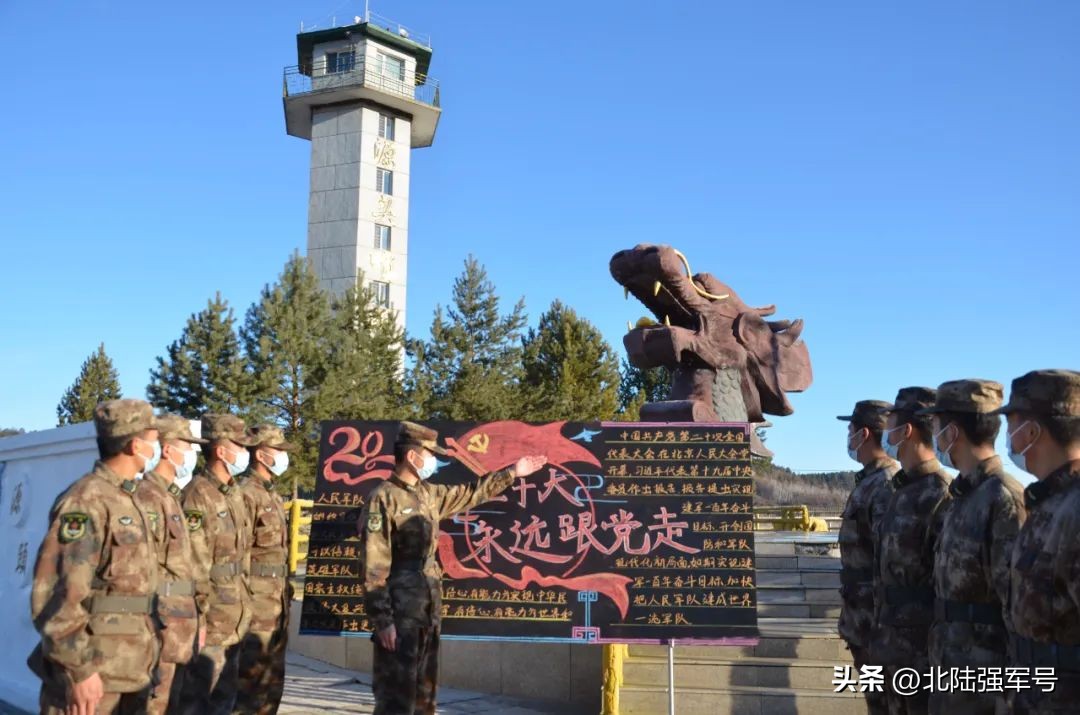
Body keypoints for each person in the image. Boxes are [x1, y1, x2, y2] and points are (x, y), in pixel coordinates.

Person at [360, 421, 548, 715]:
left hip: (427, 608)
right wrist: (383, 620)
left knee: (425, 696)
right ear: (413, 456)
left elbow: (471, 492)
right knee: (395, 698)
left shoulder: (428, 494)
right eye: (428, 453)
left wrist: (512, 472)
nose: (432, 460)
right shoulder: (382, 498)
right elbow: (374, 565)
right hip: (400, 614)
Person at [28, 399, 161, 714]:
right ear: (134, 445)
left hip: (131, 671)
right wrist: (79, 670)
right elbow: (56, 596)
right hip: (93, 678)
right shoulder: (85, 502)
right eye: (153, 441)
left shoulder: (129, 500)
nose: (156, 449)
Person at [918, 379, 1025, 715]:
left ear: (952, 431)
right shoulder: (964, 496)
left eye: (935, 426)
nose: (932, 435)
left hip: (985, 682)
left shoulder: (1003, 498)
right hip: (951, 670)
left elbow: (1017, 609)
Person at [997, 369, 1080, 714]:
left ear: (1031, 431)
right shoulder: (1049, 503)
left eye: (1011, 425)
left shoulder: (1072, 510)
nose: (1009, 440)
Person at [870, 387, 951, 715]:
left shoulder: (939, 494)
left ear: (906, 431)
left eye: (889, 425)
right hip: (890, 643)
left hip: (921, 653)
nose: (884, 435)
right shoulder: (899, 491)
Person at [179, 414, 256, 715]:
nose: (244, 453)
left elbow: (243, 556)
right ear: (221, 451)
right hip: (211, 622)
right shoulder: (197, 497)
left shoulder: (233, 494)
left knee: (225, 701)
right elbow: (194, 566)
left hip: (235, 616)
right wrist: (198, 618)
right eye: (239, 446)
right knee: (198, 701)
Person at [135, 413, 210, 715]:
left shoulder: (170, 497)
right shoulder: (148, 498)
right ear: (167, 450)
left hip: (179, 626)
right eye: (187, 447)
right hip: (159, 628)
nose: (192, 455)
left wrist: (198, 620)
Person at [836, 399, 899, 715]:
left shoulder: (885, 485)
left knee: (887, 704)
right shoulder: (870, 481)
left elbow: (889, 559)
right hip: (862, 620)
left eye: (849, 430)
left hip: (877, 624)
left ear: (863, 434)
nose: (847, 438)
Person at [235, 424, 295, 715]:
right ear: (261, 454)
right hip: (256, 605)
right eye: (279, 450)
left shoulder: (271, 494)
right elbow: (237, 553)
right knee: (249, 685)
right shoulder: (245, 493)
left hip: (276, 604)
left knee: (272, 686)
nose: (284, 456)